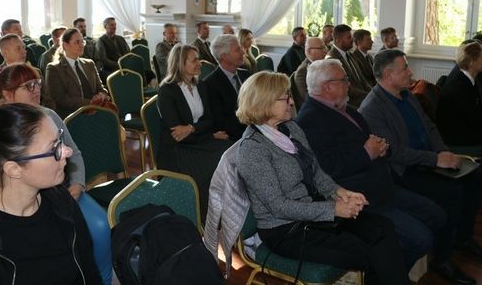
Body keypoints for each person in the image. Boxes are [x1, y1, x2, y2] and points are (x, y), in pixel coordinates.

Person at [235, 71, 409, 285]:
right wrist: (333, 209)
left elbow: (317, 172)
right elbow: (278, 206)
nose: (291, 102)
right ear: (263, 103)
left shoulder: (291, 128)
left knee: (382, 228)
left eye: (289, 95)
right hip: (285, 231)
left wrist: (339, 192)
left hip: (313, 213)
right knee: (366, 251)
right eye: (285, 97)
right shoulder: (252, 149)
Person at [359, 49, 482, 285]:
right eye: (405, 68)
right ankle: (441, 259)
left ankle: (463, 238)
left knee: (476, 177)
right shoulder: (372, 108)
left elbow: (429, 127)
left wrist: (443, 151)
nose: (410, 71)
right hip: (402, 171)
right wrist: (435, 160)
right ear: (389, 74)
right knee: (451, 193)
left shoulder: (406, 95)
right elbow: (396, 152)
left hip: (427, 159)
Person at [296, 59, 445, 271]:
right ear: (327, 87)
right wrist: (368, 153)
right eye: (344, 80)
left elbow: (367, 141)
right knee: (421, 239)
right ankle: (386, 273)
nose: (349, 84)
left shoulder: (347, 110)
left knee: (436, 215)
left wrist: (380, 148)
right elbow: (327, 169)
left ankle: (390, 265)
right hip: (362, 198)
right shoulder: (309, 120)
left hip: (383, 186)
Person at [0, 62, 112, 284]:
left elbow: (75, 154)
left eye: (37, 83)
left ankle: (107, 275)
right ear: (8, 94)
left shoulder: (49, 115)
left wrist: (78, 185)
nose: (36, 90)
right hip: (36, 194)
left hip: (63, 189)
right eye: (28, 86)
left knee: (99, 226)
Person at [0, 102, 102, 284]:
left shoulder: (62, 204)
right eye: (54, 148)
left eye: (60, 139)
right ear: (14, 169)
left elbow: (90, 276)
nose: (67, 151)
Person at [157, 44, 232, 216]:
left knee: (231, 150)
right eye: (195, 60)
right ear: (181, 64)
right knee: (213, 164)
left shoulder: (201, 86)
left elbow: (209, 120)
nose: (200, 63)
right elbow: (177, 133)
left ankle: (230, 212)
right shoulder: (167, 91)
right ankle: (208, 218)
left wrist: (192, 128)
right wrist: (205, 133)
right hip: (177, 151)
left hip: (197, 140)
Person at [437, 42, 482, 201]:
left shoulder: (467, 78)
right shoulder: (460, 84)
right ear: (472, 62)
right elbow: (473, 119)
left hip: (464, 126)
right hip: (456, 135)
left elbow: (477, 113)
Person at [46, 28, 109, 119]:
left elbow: (101, 88)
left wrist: (102, 95)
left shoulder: (89, 64)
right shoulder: (54, 68)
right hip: (72, 116)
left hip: (95, 111)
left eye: (82, 42)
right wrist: (90, 102)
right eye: (77, 42)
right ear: (65, 45)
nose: (81, 45)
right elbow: (61, 99)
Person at [204, 34, 250, 141]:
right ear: (224, 56)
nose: (243, 52)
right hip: (235, 137)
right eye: (237, 50)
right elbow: (222, 122)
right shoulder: (210, 84)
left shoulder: (246, 75)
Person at [326, 24, 371, 108]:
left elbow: (361, 79)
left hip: (362, 97)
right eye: (348, 37)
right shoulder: (331, 59)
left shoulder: (350, 55)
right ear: (338, 40)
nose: (352, 40)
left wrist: (372, 92)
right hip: (349, 102)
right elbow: (344, 87)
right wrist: (367, 95)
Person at [293, 36, 328, 105]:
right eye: (321, 48)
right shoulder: (302, 72)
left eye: (325, 47)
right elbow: (308, 98)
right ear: (309, 51)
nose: (326, 51)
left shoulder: (322, 65)